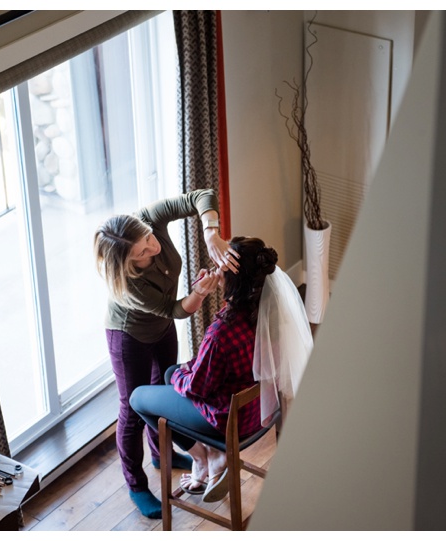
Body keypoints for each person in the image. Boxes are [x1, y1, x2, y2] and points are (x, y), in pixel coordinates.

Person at [130, 236, 313, 504]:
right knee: (170, 374)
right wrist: (181, 372)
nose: (215, 270)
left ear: (231, 280)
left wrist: (183, 373)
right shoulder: (271, 313)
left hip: (228, 422)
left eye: (220, 266)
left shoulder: (222, 331)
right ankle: (210, 459)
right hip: (260, 409)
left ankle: (204, 457)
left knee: (139, 398)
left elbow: (196, 387)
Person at [93, 189, 240, 519]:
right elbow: (174, 308)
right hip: (129, 336)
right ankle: (136, 485)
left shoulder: (149, 220)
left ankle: (162, 454)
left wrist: (211, 233)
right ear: (127, 263)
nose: (152, 247)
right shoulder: (128, 284)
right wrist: (199, 293)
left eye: (146, 237)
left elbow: (201, 196)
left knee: (166, 389)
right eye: (142, 252)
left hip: (161, 329)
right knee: (132, 408)